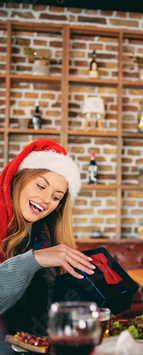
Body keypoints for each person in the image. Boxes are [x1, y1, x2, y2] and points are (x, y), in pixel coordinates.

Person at [0, 139, 96, 335]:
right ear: (19, 179)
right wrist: (34, 259)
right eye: (41, 186)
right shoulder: (41, 250)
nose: (46, 200)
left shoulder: (44, 237)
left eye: (56, 197)